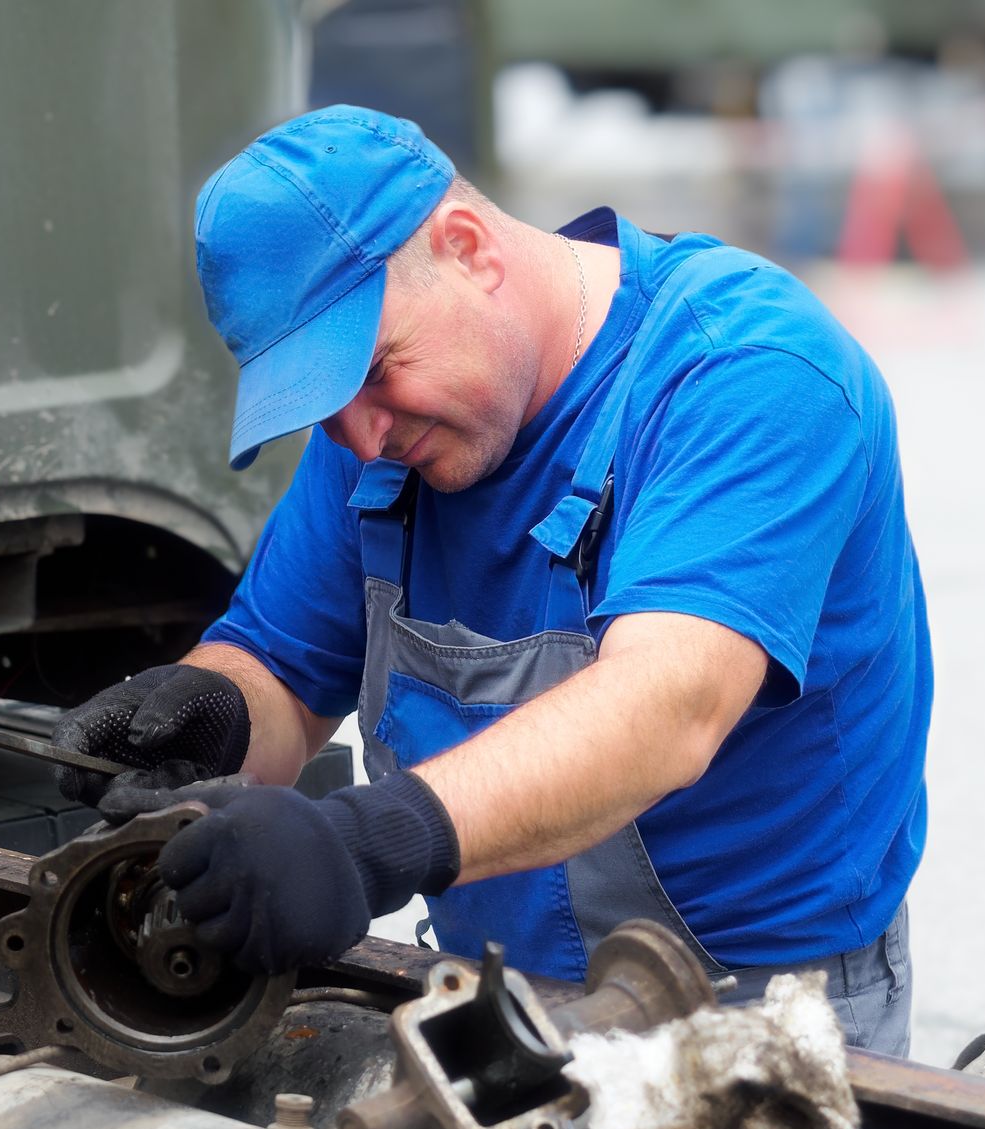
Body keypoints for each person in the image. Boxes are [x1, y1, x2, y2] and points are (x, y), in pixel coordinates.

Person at [52, 106, 930, 1054]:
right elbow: (283, 663)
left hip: (749, 1010)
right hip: (489, 989)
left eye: (374, 371)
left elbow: (669, 704)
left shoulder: (745, 371)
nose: (360, 436)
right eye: (324, 407)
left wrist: (359, 843)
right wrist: (217, 708)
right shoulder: (380, 426)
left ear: (466, 246)